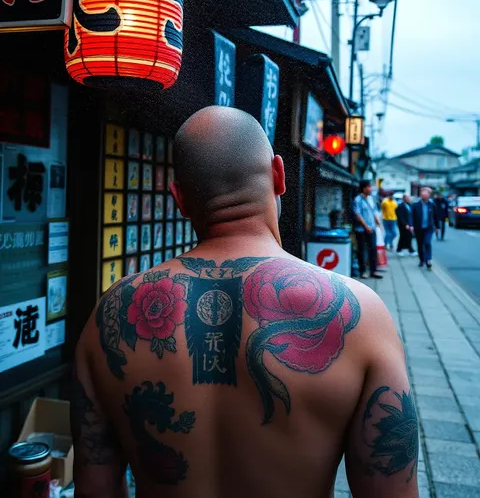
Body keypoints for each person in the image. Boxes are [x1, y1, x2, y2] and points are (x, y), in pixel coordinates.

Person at [72, 107, 418, 498]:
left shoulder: (111, 315)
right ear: (278, 175)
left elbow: (93, 487)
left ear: (180, 199)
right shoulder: (360, 315)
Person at [353, 180, 383, 280]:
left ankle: (373, 271)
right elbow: (358, 215)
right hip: (361, 230)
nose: (371, 189)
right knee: (362, 250)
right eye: (369, 187)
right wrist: (366, 227)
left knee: (373, 249)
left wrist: (377, 222)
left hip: (372, 228)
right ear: (364, 188)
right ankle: (363, 271)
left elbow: (374, 211)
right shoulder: (358, 200)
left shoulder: (371, 199)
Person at [412, 187, 440, 269]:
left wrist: (437, 227)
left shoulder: (432, 205)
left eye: (425, 195)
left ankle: (428, 260)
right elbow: (411, 216)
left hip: (429, 227)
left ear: (428, 196)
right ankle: (421, 260)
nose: (423, 196)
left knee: (427, 242)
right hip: (418, 228)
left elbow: (435, 216)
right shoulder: (415, 205)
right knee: (420, 244)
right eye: (422, 195)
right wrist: (411, 225)